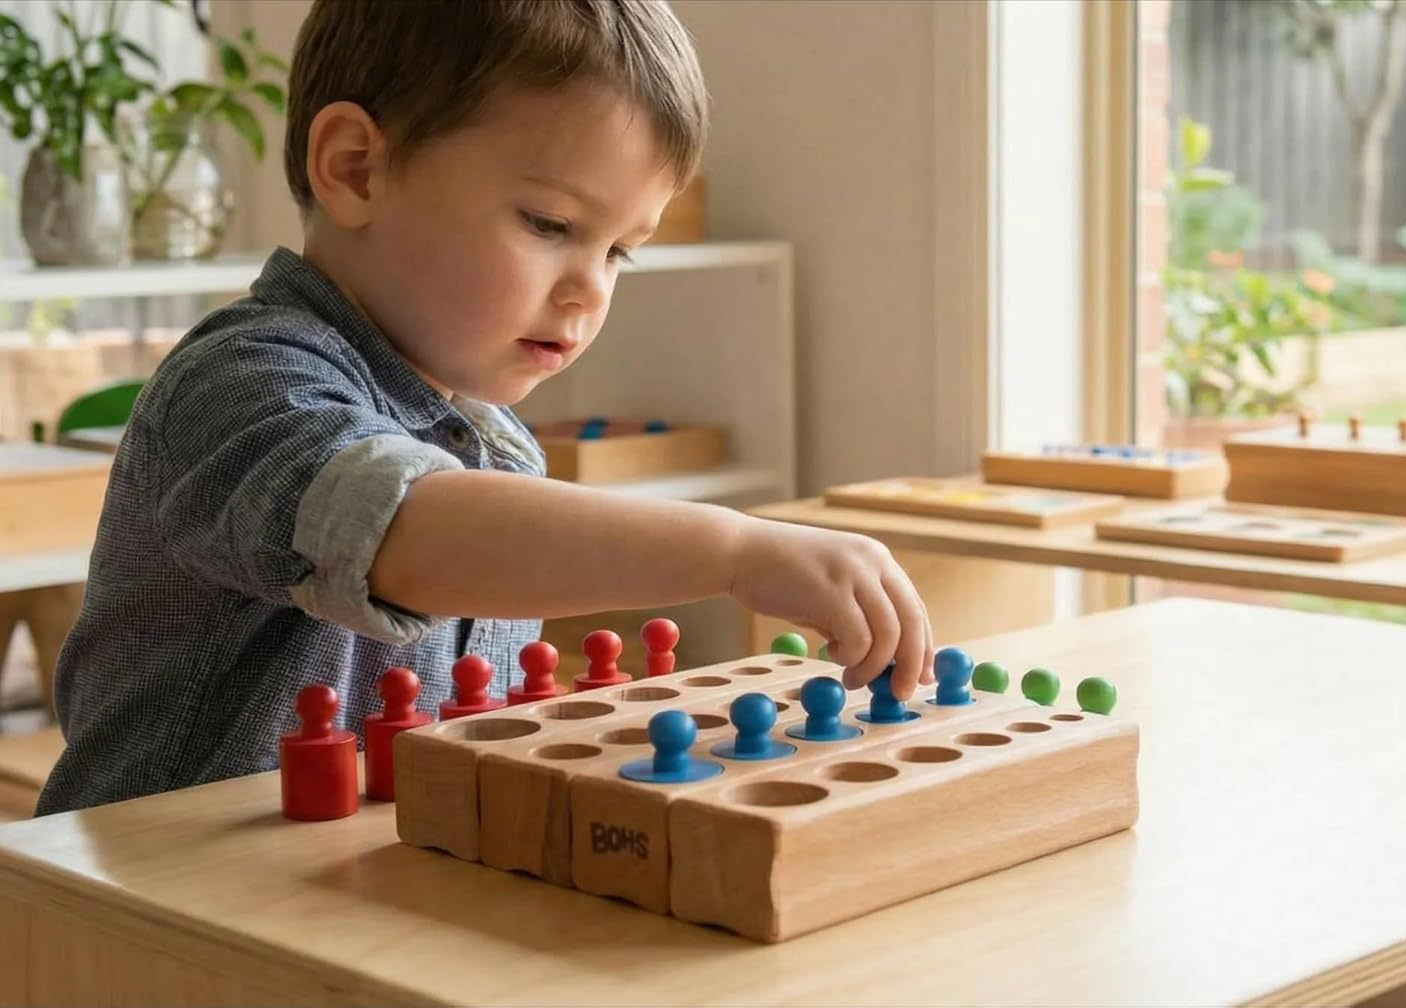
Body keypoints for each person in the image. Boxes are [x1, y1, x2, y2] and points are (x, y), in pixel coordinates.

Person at [35, 0, 932, 816]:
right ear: (355, 169)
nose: (590, 291)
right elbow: (401, 530)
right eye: (550, 225)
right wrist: (733, 551)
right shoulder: (241, 381)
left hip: (345, 885)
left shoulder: (499, 448)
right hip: (145, 907)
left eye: (620, 251)